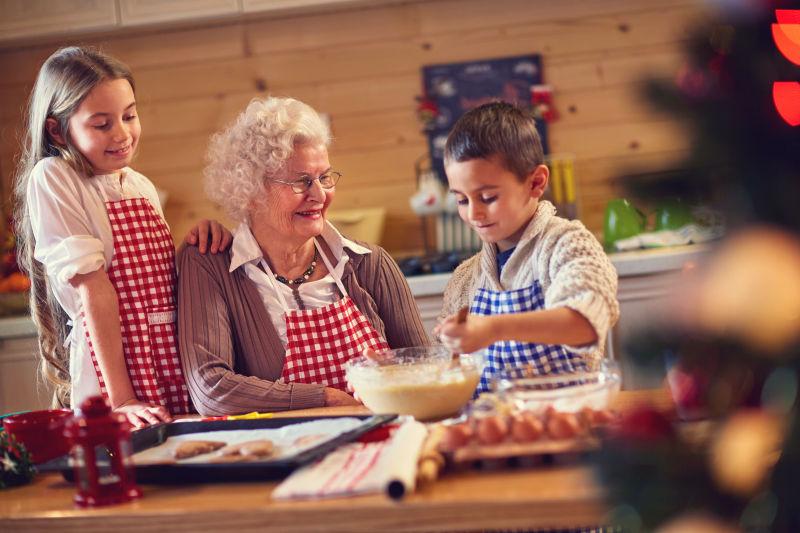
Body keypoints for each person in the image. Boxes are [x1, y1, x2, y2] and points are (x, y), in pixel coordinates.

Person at [13, 47, 232, 428]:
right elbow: (94, 288)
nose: (122, 133)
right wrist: (122, 398)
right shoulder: (55, 177)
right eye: (102, 124)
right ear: (57, 129)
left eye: (129, 116)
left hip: (172, 357)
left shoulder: (140, 186)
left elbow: (158, 284)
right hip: (116, 369)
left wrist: (195, 245)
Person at [178, 96, 430, 415]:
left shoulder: (369, 263)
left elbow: (425, 369)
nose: (320, 195)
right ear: (251, 191)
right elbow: (211, 390)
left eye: (324, 177)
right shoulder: (211, 264)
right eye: (301, 182)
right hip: (283, 457)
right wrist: (326, 398)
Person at [435, 102, 619, 393]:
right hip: (489, 428)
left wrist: (492, 328)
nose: (473, 214)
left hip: (567, 420)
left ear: (536, 183)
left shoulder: (567, 245)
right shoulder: (464, 279)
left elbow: (584, 323)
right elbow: (449, 369)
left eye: (487, 197)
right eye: (461, 200)